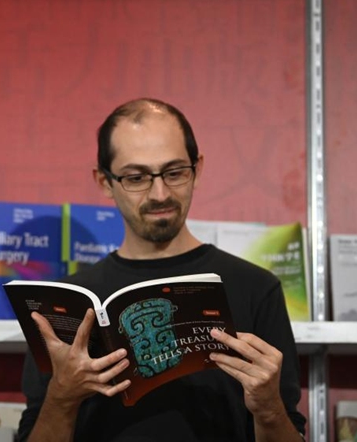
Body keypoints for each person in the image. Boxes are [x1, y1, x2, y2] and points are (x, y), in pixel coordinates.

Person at [16, 98, 306, 441]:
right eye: (136, 177)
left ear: (197, 169)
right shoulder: (62, 305)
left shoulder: (256, 288)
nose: (160, 193)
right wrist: (61, 398)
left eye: (174, 172)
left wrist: (269, 408)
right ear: (105, 182)